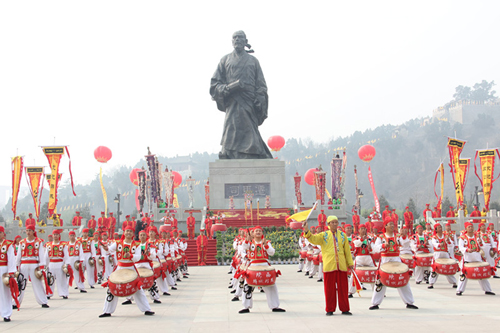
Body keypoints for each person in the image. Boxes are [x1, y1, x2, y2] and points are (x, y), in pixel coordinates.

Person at [210, 30, 273, 159]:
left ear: (245, 41)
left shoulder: (253, 61)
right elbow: (215, 83)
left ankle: (254, 152)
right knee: (231, 128)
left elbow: (261, 85)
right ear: (232, 41)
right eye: (235, 38)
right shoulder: (225, 60)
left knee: (250, 129)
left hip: (249, 102)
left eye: (240, 37)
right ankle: (228, 152)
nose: (237, 40)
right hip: (233, 100)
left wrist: (259, 98)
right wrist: (224, 88)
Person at [99, 226, 154, 317]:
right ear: (124, 233)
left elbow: (137, 257)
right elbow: (109, 249)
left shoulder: (137, 245)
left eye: (130, 231)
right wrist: (106, 248)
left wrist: (130, 255)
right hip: (120, 268)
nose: (128, 232)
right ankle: (107, 311)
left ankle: (147, 309)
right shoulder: (118, 243)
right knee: (112, 288)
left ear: (133, 234)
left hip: (131, 267)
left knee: (138, 288)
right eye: (127, 231)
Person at [303, 216, 353, 316]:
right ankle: (330, 309)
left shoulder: (343, 236)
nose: (335, 224)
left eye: (336, 222)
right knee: (329, 289)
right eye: (332, 222)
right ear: (328, 224)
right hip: (329, 265)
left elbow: (347, 251)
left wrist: (350, 263)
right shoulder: (323, 235)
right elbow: (313, 239)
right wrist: (306, 230)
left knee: (343, 289)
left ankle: (345, 308)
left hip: (341, 266)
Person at [370, 218, 418, 310]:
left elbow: (405, 244)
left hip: (396, 259)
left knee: (403, 278)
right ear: (385, 226)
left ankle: (409, 302)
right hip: (385, 260)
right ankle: (375, 303)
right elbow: (375, 249)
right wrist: (383, 246)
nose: (392, 226)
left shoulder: (398, 236)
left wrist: (404, 237)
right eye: (390, 224)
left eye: (393, 224)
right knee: (380, 280)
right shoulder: (381, 237)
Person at [239, 226, 285, 314]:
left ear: (262, 233)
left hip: (265, 266)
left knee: (272, 286)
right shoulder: (250, 242)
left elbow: (272, 252)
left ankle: (274, 306)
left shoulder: (266, 242)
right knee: (247, 286)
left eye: (260, 231)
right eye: (256, 231)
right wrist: (246, 240)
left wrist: (266, 245)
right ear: (253, 233)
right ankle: (246, 306)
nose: (258, 232)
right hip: (252, 266)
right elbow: (244, 247)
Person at [456, 222, 495, 296]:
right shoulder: (463, 238)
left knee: (481, 274)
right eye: (469, 227)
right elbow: (460, 247)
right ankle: (459, 290)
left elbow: (482, 247)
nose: (471, 228)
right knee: (463, 275)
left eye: (472, 227)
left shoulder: (477, 236)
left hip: (477, 258)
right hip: (468, 259)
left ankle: (487, 290)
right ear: (466, 229)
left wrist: (481, 244)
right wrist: (467, 249)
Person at [16, 225, 49, 308]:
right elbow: (18, 255)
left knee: (37, 283)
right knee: (21, 283)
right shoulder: (22, 242)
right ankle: (15, 302)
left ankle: (43, 301)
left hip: (34, 264)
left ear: (34, 231)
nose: (28, 232)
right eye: (27, 230)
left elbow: (41, 254)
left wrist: (42, 267)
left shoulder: (38, 242)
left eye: (30, 230)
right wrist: (16, 266)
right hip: (24, 264)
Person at [428, 223, 457, 289]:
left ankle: (454, 282)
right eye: (439, 228)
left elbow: (451, 244)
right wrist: (439, 245)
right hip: (437, 254)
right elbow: (434, 244)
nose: (440, 229)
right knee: (435, 268)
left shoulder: (446, 236)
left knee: (448, 267)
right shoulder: (434, 237)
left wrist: (449, 241)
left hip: (445, 253)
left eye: (441, 227)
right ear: (436, 229)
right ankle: (431, 283)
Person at [44, 229, 70, 299]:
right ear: (52, 236)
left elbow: (66, 255)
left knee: (61, 279)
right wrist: (45, 265)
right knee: (50, 279)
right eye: (54, 234)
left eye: (56, 234)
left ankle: (64, 293)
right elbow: (46, 256)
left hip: (60, 263)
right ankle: (49, 293)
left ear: (59, 235)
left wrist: (67, 264)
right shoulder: (48, 245)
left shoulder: (63, 245)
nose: (55, 236)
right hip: (51, 263)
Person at [0, 226, 18, 322]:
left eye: (0, 232)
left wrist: (11, 273)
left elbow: (11, 259)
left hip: (4, 270)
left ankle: (6, 314)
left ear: (3, 234)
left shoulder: (8, 244)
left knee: (5, 292)